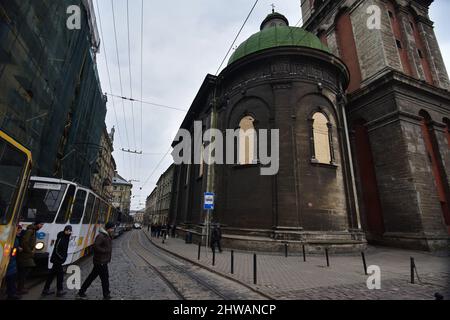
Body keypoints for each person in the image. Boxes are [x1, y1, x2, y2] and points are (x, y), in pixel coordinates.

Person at [78, 222, 114, 300]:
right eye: (112, 228)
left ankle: (81, 291)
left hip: (101, 261)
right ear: (108, 228)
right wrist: (104, 250)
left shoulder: (106, 235)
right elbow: (95, 246)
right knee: (104, 279)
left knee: (92, 277)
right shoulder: (101, 236)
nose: (113, 229)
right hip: (101, 261)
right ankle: (106, 294)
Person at [42, 225, 72, 297]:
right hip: (57, 260)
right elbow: (56, 249)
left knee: (51, 275)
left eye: (70, 231)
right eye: (68, 230)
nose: (69, 232)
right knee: (60, 275)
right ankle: (59, 290)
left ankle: (46, 289)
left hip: (58, 260)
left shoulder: (66, 237)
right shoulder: (61, 237)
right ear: (65, 230)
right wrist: (61, 258)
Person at [17, 221, 44, 294]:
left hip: (27, 254)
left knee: (25, 270)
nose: (42, 226)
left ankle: (21, 287)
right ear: (37, 224)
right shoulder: (30, 231)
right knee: (25, 270)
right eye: (41, 224)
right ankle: (20, 288)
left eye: (42, 225)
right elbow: (24, 242)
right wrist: (30, 251)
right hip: (25, 254)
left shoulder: (33, 231)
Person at [5, 225, 23, 300]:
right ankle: (11, 294)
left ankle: (12, 292)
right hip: (11, 260)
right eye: (18, 230)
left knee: (12, 277)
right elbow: (10, 251)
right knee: (11, 277)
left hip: (12, 260)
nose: (20, 232)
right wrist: (16, 250)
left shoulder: (14, 238)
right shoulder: (11, 239)